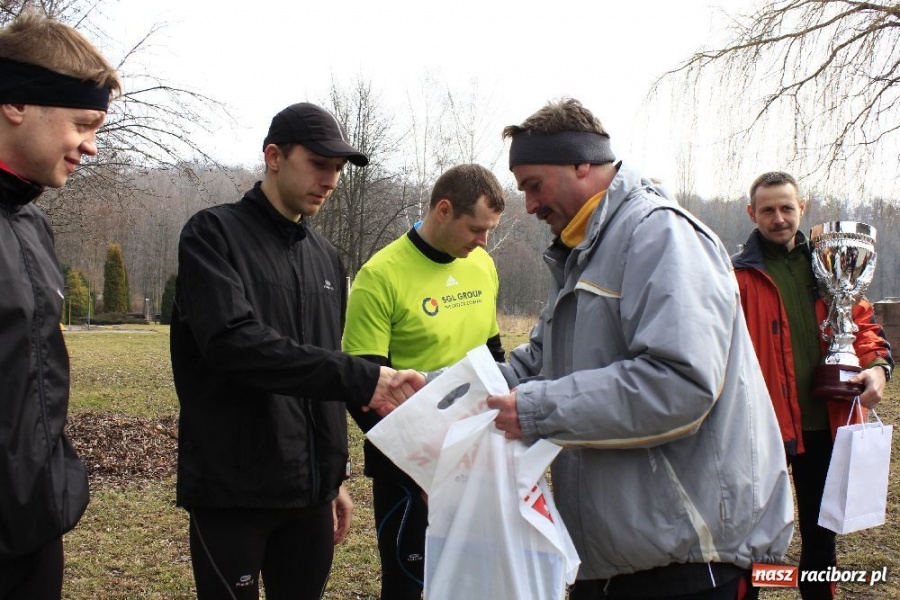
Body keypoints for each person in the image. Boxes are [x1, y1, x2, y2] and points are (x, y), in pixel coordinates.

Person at [485, 98, 794, 600]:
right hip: (614, 556)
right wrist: (440, 391)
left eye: (534, 185)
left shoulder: (659, 234)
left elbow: (680, 385)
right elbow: (536, 364)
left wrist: (539, 411)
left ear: (582, 164)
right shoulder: (580, 254)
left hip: (688, 560)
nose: (530, 205)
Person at [169, 102, 420, 600]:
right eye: (318, 164)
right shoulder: (211, 235)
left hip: (310, 497)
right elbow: (233, 345)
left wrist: (336, 475)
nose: (330, 180)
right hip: (233, 492)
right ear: (274, 157)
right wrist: (363, 378)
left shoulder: (326, 257)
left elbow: (320, 366)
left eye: (338, 170)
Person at [343, 163, 506, 599]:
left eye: (489, 231)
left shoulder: (482, 266)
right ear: (444, 210)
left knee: (478, 584)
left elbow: (493, 355)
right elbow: (362, 390)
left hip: (478, 457)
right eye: (476, 228)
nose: (483, 241)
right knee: (411, 587)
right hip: (408, 469)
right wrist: (427, 471)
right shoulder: (380, 276)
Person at [0, 11, 121, 600]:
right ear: (16, 103)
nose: (91, 148)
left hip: (35, 531)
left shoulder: (31, 225)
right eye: (83, 124)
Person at [732, 171, 893, 599]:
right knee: (754, 542)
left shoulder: (830, 263)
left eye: (787, 207)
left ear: (802, 208)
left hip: (822, 426)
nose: (779, 218)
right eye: (768, 210)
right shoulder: (737, 277)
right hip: (760, 432)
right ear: (752, 214)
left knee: (821, 541)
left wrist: (877, 367)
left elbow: (862, 326)